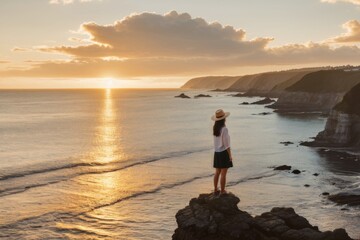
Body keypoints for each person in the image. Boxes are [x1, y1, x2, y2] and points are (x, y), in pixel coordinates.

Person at [211, 109, 233, 195]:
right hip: (223, 152)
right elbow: (226, 144)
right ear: (224, 119)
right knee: (223, 174)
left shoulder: (215, 128)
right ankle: (222, 191)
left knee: (217, 172)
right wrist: (230, 155)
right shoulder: (224, 129)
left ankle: (216, 189)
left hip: (216, 152)